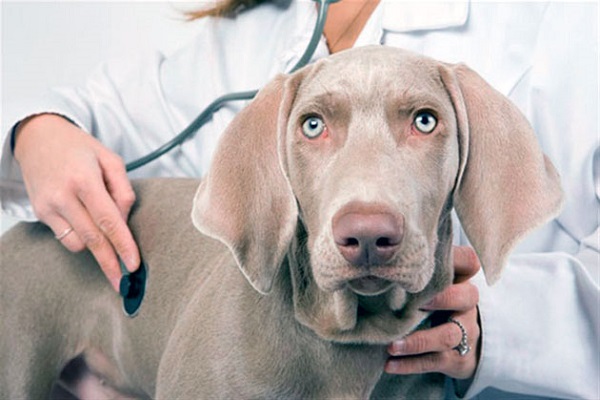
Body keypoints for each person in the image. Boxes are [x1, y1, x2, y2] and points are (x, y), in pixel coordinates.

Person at [0, 1, 598, 398]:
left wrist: (500, 319)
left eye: (421, 121)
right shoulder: (263, 25)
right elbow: (109, 118)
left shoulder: (558, 22)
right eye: (313, 127)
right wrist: (38, 130)